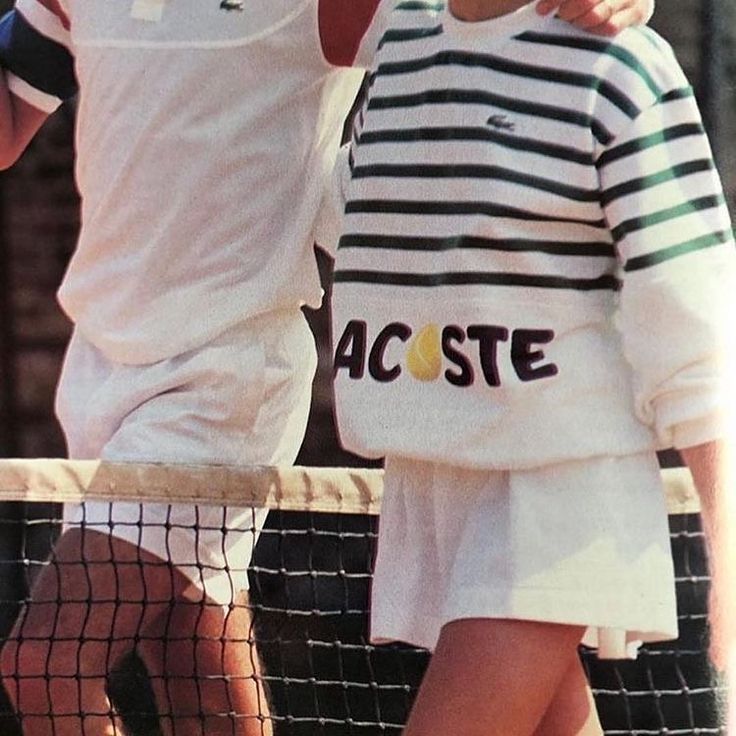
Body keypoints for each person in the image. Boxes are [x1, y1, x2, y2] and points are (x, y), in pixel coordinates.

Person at [0, 0, 657, 733]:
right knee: (197, 669)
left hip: (222, 381)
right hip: (97, 372)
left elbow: (499, 22)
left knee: (44, 666)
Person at [325, 0, 736, 733]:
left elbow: (697, 330)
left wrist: (729, 555)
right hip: (435, 469)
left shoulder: (621, 65)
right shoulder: (401, 41)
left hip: (562, 488)